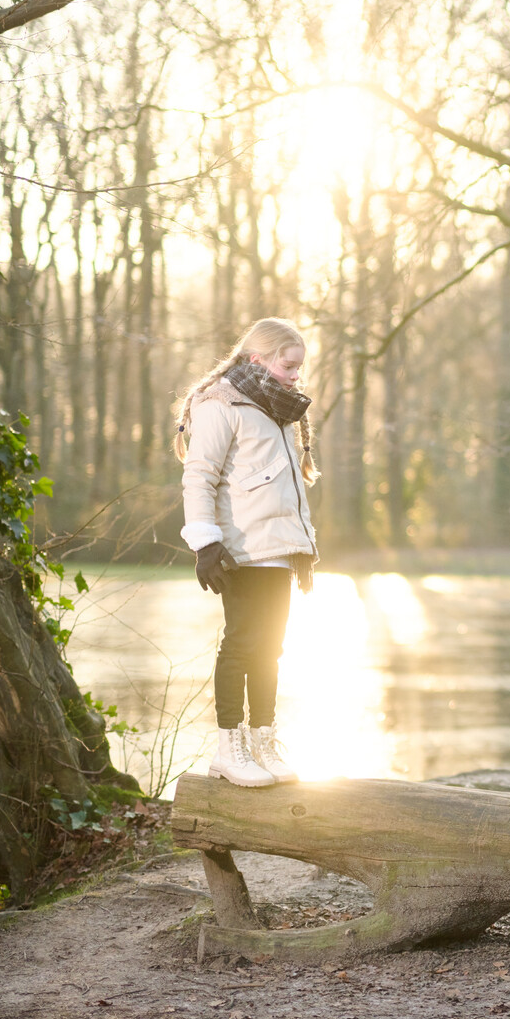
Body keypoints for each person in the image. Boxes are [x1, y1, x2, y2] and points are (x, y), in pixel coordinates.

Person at [175, 317, 320, 789]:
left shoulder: (280, 409)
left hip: (279, 549)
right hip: (238, 550)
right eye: (288, 364)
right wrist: (205, 542)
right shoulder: (222, 401)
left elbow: (292, 486)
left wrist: (304, 547)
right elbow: (200, 475)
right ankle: (229, 748)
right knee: (240, 645)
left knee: (271, 651)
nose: (296, 374)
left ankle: (263, 741)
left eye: (300, 366)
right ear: (258, 358)